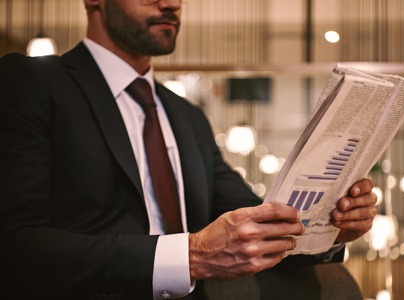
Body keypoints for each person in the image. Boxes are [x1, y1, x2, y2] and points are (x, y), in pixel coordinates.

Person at [0, 0, 377, 299]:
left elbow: (255, 223)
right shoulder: (32, 83)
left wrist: (331, 224)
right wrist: (190, 256)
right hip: (95, 290)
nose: (171, 4)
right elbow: (14, 247)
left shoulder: (186, 117)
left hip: (197, 293)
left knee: (332, 280)